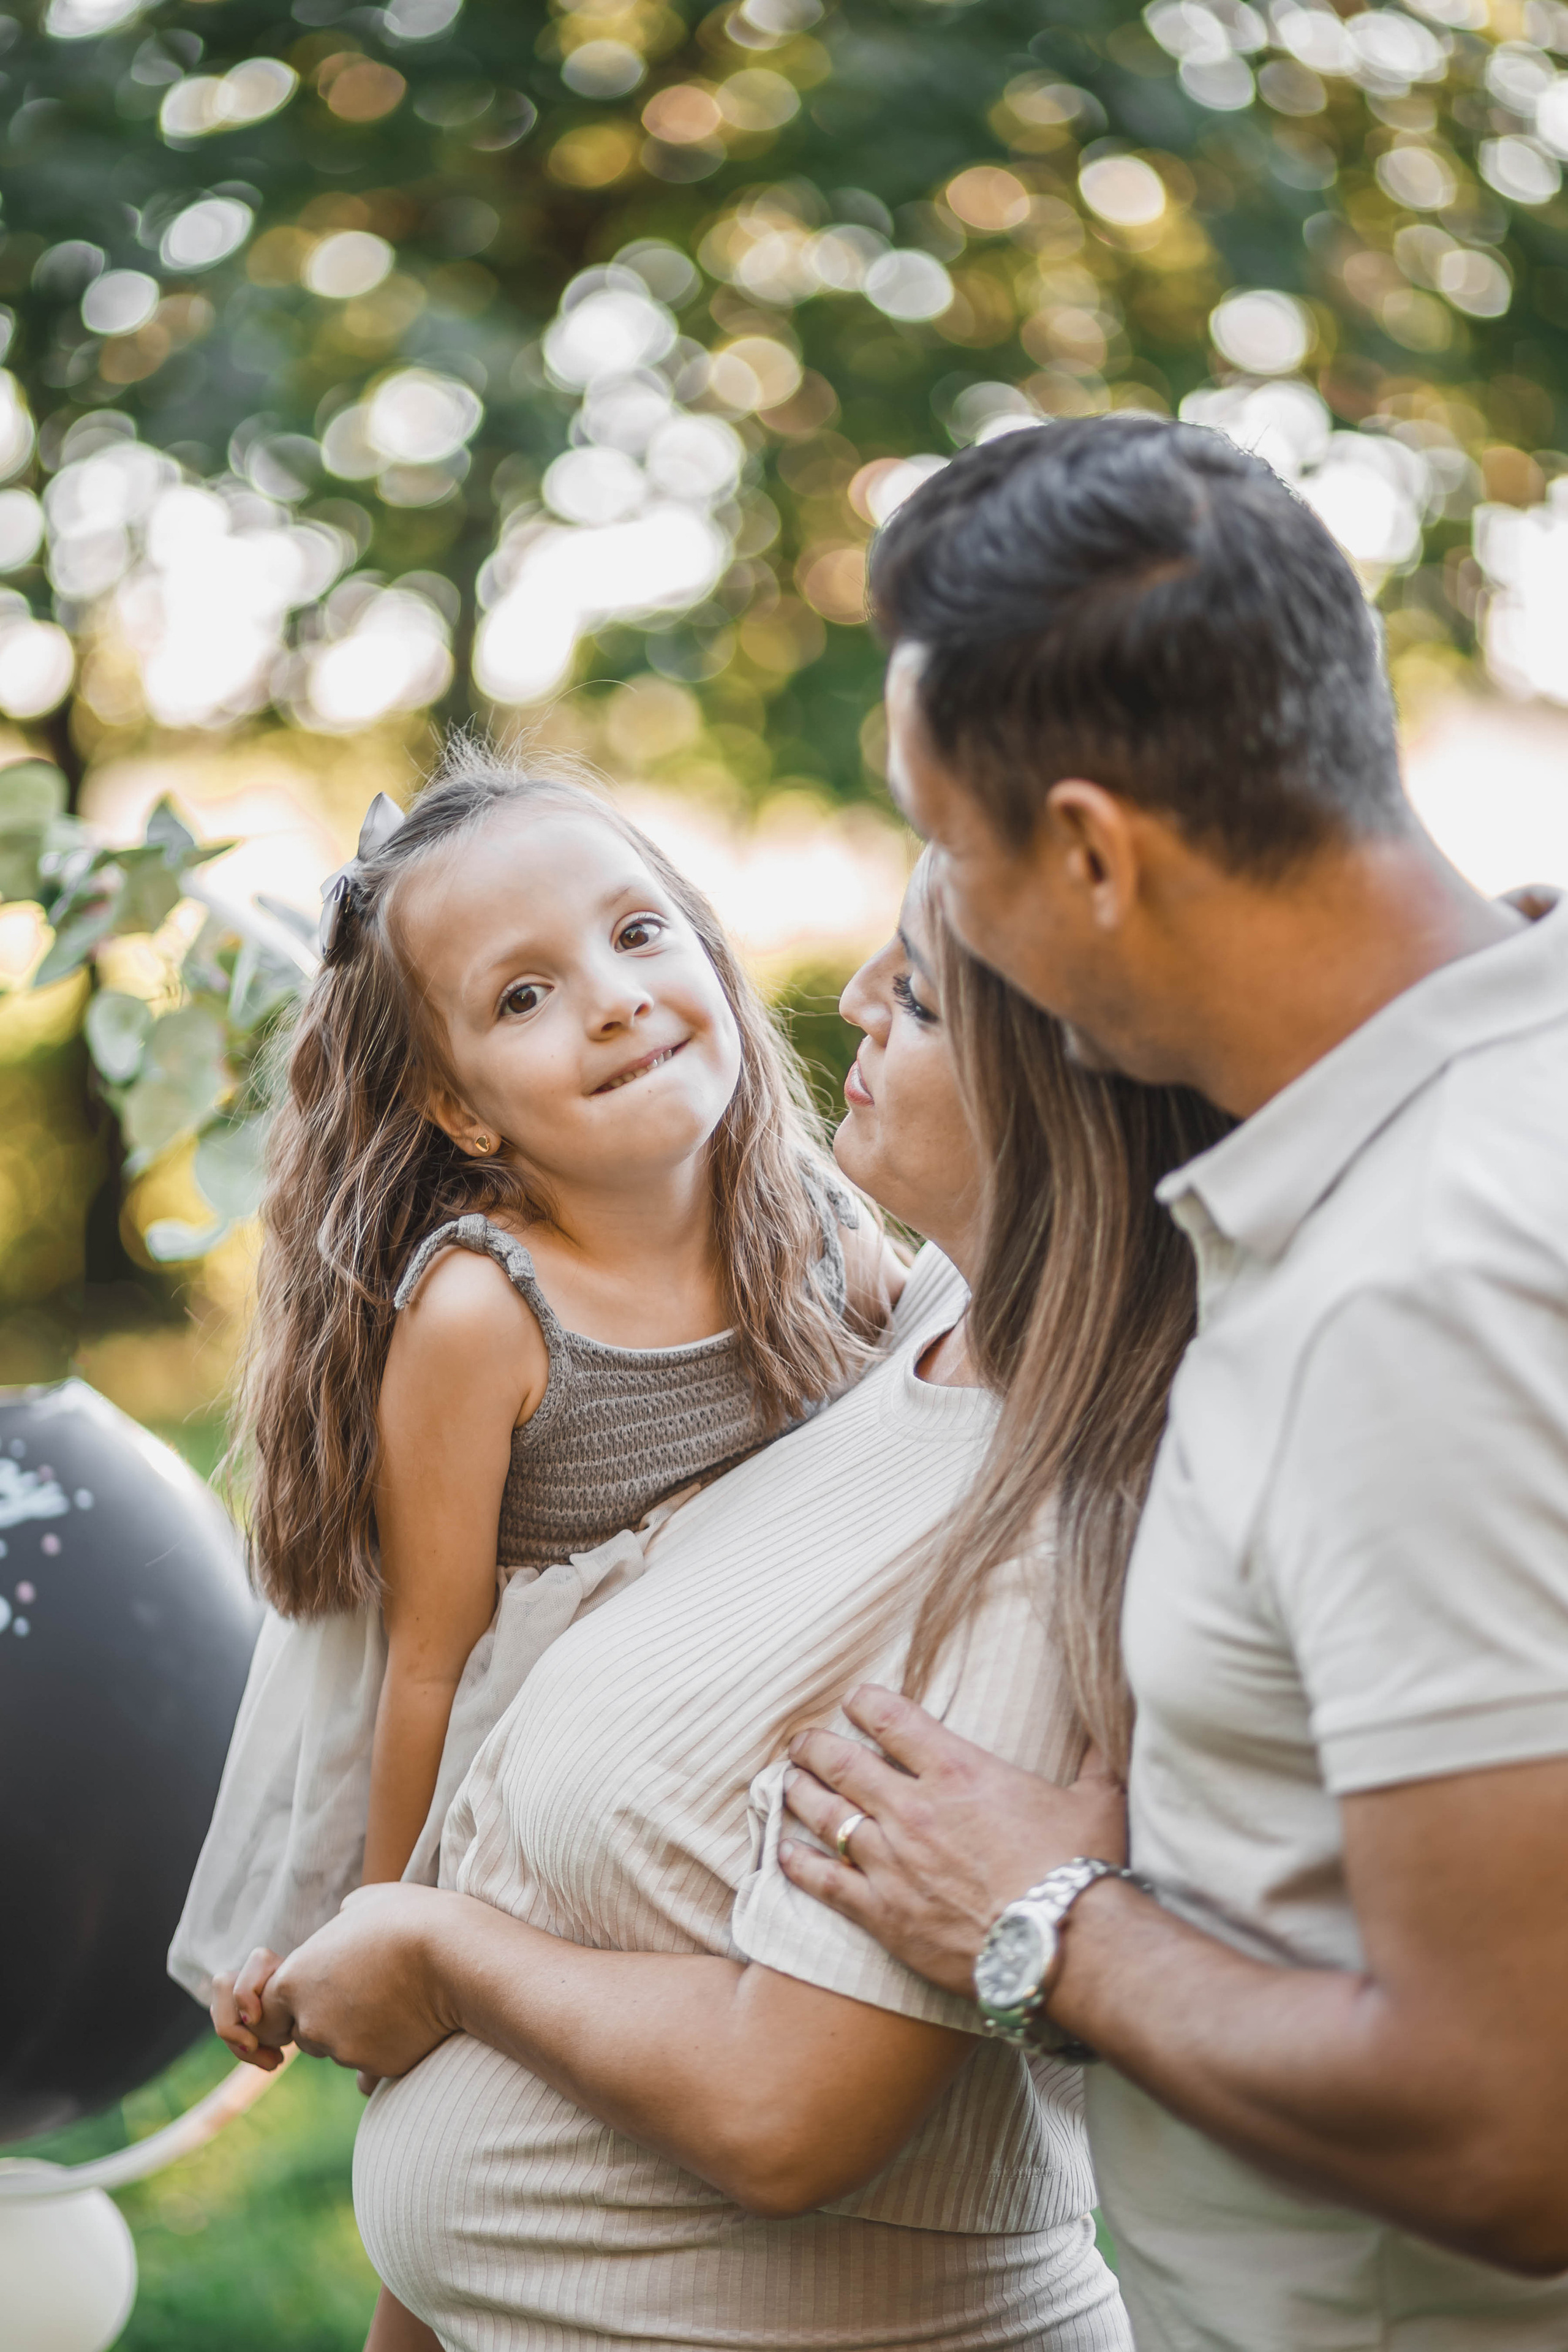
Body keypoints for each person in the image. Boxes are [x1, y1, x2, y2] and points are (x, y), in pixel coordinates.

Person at [775, 415, 1568, 2350]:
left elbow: (1522, 2131)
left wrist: (1050, 1924)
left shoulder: (1420, 1293)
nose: (943, 931)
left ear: (1094, 853)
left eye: (953, 857)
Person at [216, 864, 1218, 2352]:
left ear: (1075, 1099)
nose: (854, 997)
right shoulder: (935, 1313)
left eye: (922, 996)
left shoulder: (1053, 1504)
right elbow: (447, 1684)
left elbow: (785, 2108)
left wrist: (430, 1952)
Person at [168, 749, 897, 2017]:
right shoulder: (486, 1314)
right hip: (570, 1807)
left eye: (636, 932)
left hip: (788, 1760)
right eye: (522, 997)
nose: (613, 1001)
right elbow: (429, 1663)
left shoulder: (823, 1227)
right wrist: (384, 1926)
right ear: (459, 1110)